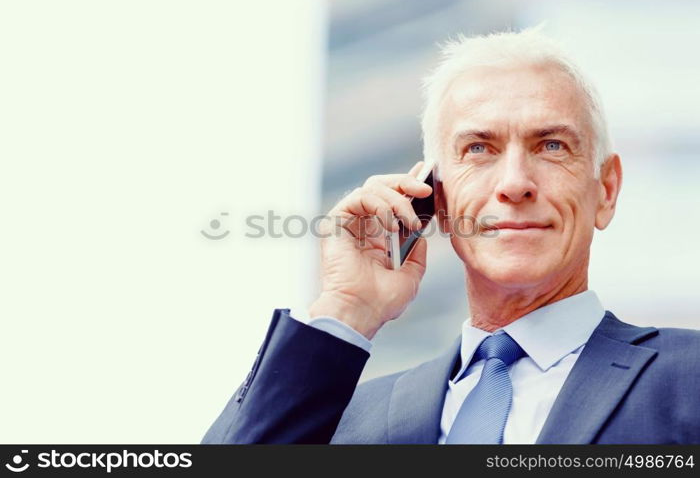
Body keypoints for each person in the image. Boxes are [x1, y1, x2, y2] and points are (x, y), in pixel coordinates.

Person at [202, 26, 700, 444]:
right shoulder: (343, 419)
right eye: (479, 149)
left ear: (606, 190)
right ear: (433, 197)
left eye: (551, 145)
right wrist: (347, 307)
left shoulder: (687, 378)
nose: (514, 184)